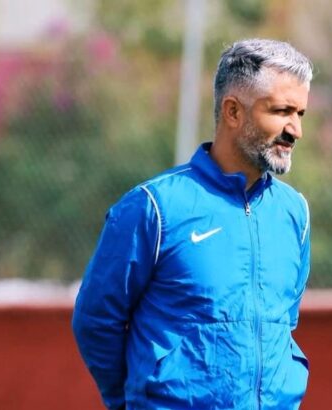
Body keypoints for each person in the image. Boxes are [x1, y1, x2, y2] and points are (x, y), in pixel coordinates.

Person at [72, 38, 313, 410]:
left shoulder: (294, 212)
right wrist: (130, 401)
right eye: (282, 111)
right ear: (232, 111)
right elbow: (95, 321)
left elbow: (284, 322)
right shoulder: (154, 207)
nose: (295, 129)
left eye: (300, 114)